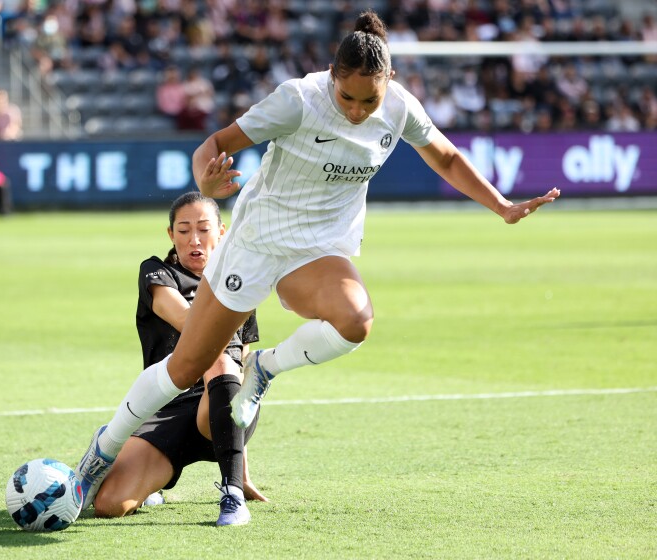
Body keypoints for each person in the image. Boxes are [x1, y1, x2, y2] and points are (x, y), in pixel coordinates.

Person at [76, 10, 560, 525]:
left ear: (389, 82)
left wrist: (501, 206)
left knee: (356, 320)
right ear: (333, 75)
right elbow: (212, 146)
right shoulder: (298, 100)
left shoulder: (399, 108)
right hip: (258, 241)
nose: (356, 110)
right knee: (187, 367)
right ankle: (101, 451)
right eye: (347, 97)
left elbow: (444, 157)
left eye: (368, 100)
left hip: (320, 247)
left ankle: (263, 370)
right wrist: (209, 181)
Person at [88, 191, 267, 525]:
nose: (194, 239)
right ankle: (120, 458)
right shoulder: (157, 273)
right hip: (167, 410)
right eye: (183, 231)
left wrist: (240, 468)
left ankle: (232, 494)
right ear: (171, 235)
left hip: (219, 408)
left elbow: (242, 368)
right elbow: (187, 321)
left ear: (222, 232)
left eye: (203, 229)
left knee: (219, 360)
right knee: (109, 505)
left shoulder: (240, 283)